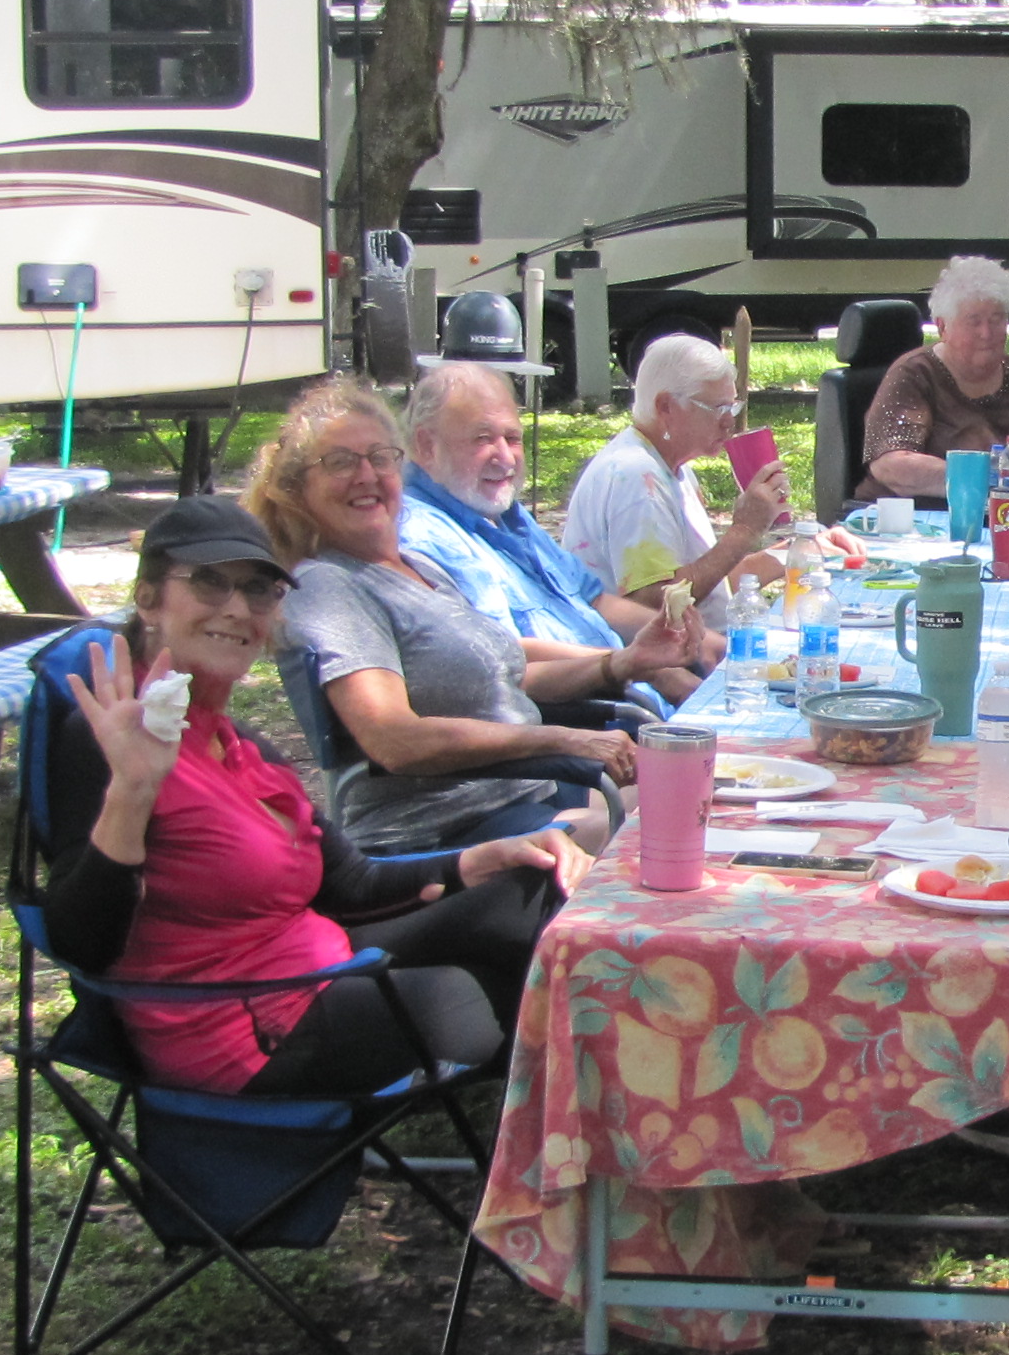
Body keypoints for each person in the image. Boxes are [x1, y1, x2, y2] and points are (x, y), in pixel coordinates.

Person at [38, 496, 584, 1097]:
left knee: (537, 892)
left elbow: (349, 884)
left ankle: (585, 1112)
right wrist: (132, 792)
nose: (237, 608)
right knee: (478, 1000)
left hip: (316, 963)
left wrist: (484, 859)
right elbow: (81, 943)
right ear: (148, 599)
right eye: (209, 582)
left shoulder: (239, 746)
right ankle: (581, 1124)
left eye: (259, 590)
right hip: (237, 1025)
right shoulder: (110, 738)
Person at [248, 378, 689, 857]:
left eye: (380, 457)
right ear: (297, 490)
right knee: (681, 823)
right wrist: (559, 740)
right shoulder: (328, 586)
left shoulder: (417, 567)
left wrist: (623, 662)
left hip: (534, 795)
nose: (366, 475)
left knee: (704, 787)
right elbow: (394, 738)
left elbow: (503, 671)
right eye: (339, 462)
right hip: (453, 834)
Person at [396, 362, 711, 687]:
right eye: (482, 439)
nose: (506, 458)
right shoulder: (425, 536)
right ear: (426, 446)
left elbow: (593, 599)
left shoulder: (503, 514)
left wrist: (703, 642)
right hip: (588, 708)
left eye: (512, 438)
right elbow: (500, 655)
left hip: (632, 685)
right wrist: (637, 666)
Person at [561, 331, 792, 605]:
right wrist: (744, 530)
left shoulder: (669, 466)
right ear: (666, 407)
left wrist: (795, 552)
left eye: (732, 408)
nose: (728, 422)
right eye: (718, 408)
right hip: (632, 634)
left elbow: (708, 586)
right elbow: (657, 603)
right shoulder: (637, 476)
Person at [857, 254, 1009, 502]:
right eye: (973, 321)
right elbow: (891, 466)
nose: (986, 333)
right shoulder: (915, 375)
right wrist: (991, 482)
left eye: (996, 319)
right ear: (942, 327)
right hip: (941, 515)